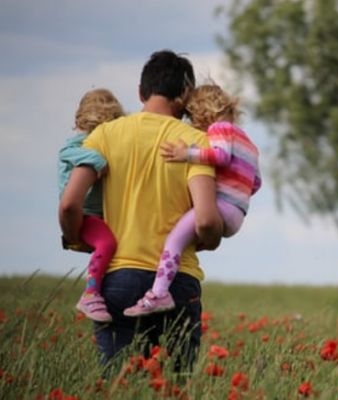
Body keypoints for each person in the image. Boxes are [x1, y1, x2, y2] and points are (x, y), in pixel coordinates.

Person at [59, 50, 223, 373]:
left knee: (119, 386)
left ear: (140, 92)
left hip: (118, 279)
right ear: (185, 97)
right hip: (177, 283)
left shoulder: (104, 135)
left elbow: (68, 204)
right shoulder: (195, 142)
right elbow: (205, 220)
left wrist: (75, 237)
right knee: (174, 389)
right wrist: (213, 237)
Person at [124, 82, 262, 317]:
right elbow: (256, 182)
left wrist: (185, 154)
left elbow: (219, 156)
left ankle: (159, 294)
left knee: (174, 240)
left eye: (192, 117)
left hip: (221, 207)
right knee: (186, 238)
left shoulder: (220, 128)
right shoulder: (249, 143)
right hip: (238, 213)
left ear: (202, 112)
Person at [58, 88, 124, 323]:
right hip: (85, 214)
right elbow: (67, 153)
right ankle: (90, 293)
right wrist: (98, 161)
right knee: (107, 242)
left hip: (98, 213)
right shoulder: (78, 143)